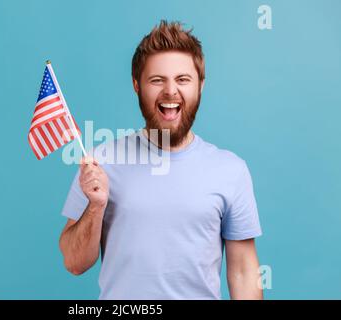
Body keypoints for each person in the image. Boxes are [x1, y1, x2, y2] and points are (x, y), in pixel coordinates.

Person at [59, 20, 263, 300]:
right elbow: (73, 263)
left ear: (200, 85)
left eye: (183, 79)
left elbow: (243, 273)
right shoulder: (100, 161)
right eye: (157, 80)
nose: (170, 91)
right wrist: (95, 207)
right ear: (136, 86)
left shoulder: (230, 170)